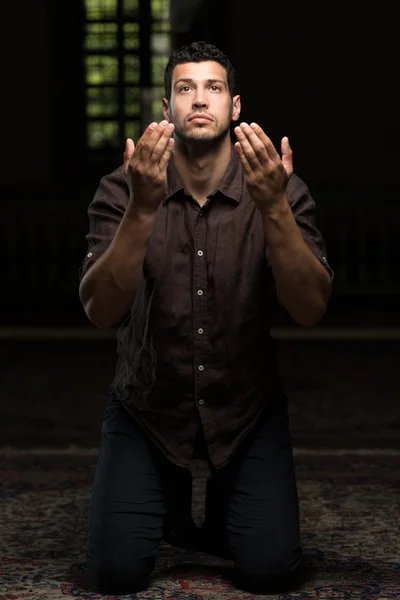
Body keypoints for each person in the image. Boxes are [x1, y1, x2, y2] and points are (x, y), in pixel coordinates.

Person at [79, 40, 333, 595]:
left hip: (245, 410)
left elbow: (310, 308)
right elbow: (100, 310)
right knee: (114, 575)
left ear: (235, 106)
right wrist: (144, 206)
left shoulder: (277, 188)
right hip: (147, 407)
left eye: (213, 87)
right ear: (166, 106)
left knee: (271, 570)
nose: (199, 99)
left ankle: (222, 499)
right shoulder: (124, 187)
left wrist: (274, 208)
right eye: (185, 88)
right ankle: (166, 491)